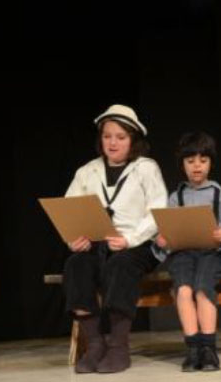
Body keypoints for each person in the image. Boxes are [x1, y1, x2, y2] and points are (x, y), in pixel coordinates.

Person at [62, 104, 167, 374]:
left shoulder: (146, 168)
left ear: (133, 140)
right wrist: (74, 238)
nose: (112, 143)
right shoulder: (87, 171)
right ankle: (95, 345)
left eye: (120, 137)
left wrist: (130, 239)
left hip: (137, 245)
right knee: (75, 264)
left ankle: (119, 346)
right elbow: (69, 209)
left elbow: (158, 210)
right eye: (107, 136)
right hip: (97, 244)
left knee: (121, 264)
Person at [154, 131, 221, 372]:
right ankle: (193, 349)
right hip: (183, 253)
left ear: (210, 163)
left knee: (203, 289)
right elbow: (168, 233)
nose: (197, 166)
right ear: (182, 164)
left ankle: (208, 349)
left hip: (211, 253)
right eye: (190, 161)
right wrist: (163, 240)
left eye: (203, 161)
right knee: (183, 290)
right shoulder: (176, 197)